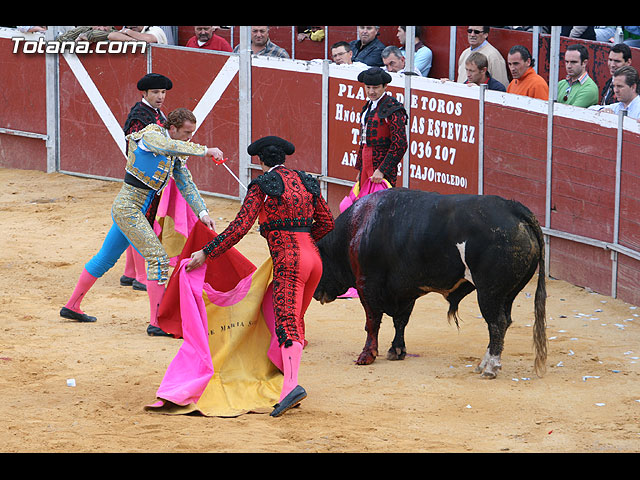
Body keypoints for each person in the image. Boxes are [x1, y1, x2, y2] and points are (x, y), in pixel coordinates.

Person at [186, 136, 335, 417]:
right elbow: (327, 222)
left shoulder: (262, 185)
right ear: (284, 157)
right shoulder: (307, 181)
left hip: (291, 261)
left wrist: (206, 252)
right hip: (313, 259)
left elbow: (240, 227)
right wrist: (304, 241)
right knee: (282, 311)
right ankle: (279, 371)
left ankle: (290, 385)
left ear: (261, 160)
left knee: (287, 322)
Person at [60, 109, 223, 337]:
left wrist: (203, 212)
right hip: (130, 210)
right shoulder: (151, 135)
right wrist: (206, 151)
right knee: (158, 258)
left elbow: (186, 183)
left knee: (105, 258)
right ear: (172, 128)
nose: (189, 138)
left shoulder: (176, 150)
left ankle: (71, 306)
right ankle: (156, 322)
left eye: (192, 133)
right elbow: (166, 146)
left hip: (134, 211)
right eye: (186, 132)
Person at [120, 73, 173, 295]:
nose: (160, 96)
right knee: (142, 223)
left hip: (147, 177)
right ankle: (141, 276)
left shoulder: (154, 112)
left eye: (163, 92)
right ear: (145, 93)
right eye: (155, 93)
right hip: (142, 179)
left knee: (138, 222)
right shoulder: (140, 116)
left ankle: (130, 272)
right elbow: (138, 145)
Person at [354, 67, 408, 188]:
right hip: (366, 164)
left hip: (381, 166)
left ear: (385, 86)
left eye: (376, 87)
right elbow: (364, 141)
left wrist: (382, 170)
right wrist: (360, 168)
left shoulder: (393, 108)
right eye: (368, 87)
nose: (371, 91)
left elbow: (400, 144)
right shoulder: (368, 106)